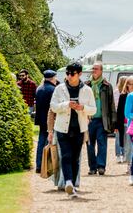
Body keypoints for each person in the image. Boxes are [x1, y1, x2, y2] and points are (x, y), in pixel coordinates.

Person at [50, 61, 96, 198]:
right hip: (62, 128)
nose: (69, 76)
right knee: (66, 155)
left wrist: (83, 108)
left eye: (73, 73)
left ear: (80, 74)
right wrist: (66, 104)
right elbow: (53, 106)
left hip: (79, 128)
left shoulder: (87, 90)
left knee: (75, 158)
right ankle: (68, 181)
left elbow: (93, 110)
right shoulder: (59, 88)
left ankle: (73, 184)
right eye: (68, 73)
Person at [85, 62, 116, 175]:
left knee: (102, 143)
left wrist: (113, 122)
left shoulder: (107, 86)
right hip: (89, 119)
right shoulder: (86, 85)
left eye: (96, 69)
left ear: (101, 71)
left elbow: (111, 104)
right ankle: (92, 167)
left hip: (102, 120)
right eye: (93, 68)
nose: (94, 70)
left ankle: (101, 166)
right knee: (89, 144)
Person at [47, 107, 82, 191]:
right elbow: (51, 112)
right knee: (63, 156)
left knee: (74, 158)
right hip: (61, 130)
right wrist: (50, 131)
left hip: (76, 130)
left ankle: (70, 182)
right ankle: (65, 182)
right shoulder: (58, 95)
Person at [34, 69, 58, 173]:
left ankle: (39, 165)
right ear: (52, 78)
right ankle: (48, 165)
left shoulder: (39, 88)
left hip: (40, 118)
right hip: (49, 120)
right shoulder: (53, 89)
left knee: (41, 142)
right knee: (50, 142)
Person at [115, 76, 133, 165]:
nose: (132, 86)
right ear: (127, 85)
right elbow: (119, 111)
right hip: (126, 124)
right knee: (127, 146)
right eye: (130, 84)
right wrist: (117, 125)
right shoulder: (123, 96)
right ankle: (129, 163)